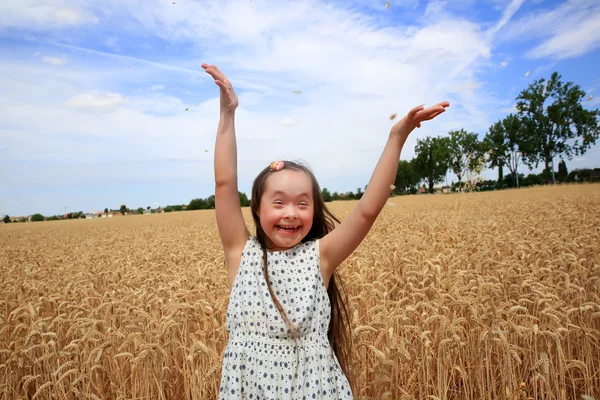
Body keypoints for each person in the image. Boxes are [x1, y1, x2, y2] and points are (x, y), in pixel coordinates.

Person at [202, 63, 449, 399]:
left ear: (315, 211)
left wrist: (397, 136)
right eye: (279, 202)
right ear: (257, 208)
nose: (291, 213)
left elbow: (366, 211)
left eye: (303, 203)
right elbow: (224, 182)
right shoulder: (239, 253)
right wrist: (228, 114)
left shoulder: (320, 257)